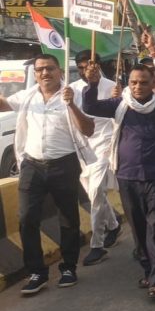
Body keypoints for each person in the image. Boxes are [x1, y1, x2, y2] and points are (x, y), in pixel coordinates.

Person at [83, 33, 155, 299]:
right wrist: (92, 83)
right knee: (139, 230)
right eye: (133, 82)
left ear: (153, 83)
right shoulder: (120, 105)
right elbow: (90, 106)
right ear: (128, 84)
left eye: (143, 82)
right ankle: (148, 269)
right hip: (128, 177)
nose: (138, 86)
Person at [0, 54, 94, 295]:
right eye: (40, 69)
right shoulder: (28, 96)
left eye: (50, 68)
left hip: (64, 164)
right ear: (35, 73)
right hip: (32, 166)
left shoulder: (73, 95)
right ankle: (37, 272)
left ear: (59, 71)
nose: (45, 73)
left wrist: (71, 105)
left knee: (68, 218)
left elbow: (89, 129)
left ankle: (69, 267)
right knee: (27, 218)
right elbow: (3, 104)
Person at [70, 50, 122, 266]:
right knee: (94, 194)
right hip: (82, 148)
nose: (86, 71)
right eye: (81, 68)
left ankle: (97, 245)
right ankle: (113, 225)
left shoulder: (112, 87)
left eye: (89, 66)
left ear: (98, 66)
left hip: (104, 144)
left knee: (96, 192)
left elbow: (118, 116)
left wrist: (119, 98)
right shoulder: (72, 89)